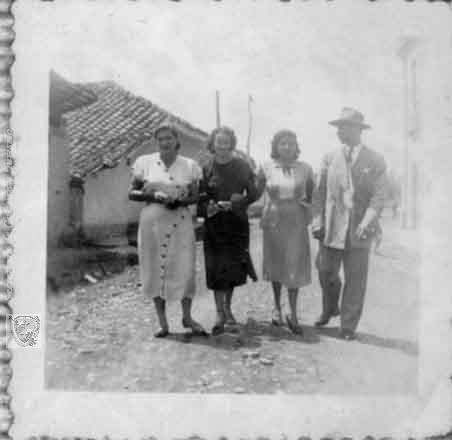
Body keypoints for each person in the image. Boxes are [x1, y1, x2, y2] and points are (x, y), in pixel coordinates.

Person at [312, 108, 387, 340]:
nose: (339, 131)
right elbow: (319, 193)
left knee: (356, 278)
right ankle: (329, 308)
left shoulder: (375, 160)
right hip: (332, 226)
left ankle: (348, 325)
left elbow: (379, 196)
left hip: (360, 227)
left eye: (344, 127)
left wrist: (367, 221)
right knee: (325, 271)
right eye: (338, 127)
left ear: (357, 130)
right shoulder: (329, 157)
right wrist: (317, 221)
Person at [129, 123, 207, 338]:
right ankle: (162, 323)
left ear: (176, 140)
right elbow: (132, 193)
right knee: (154, 269)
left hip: (180, 221)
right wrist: (154, 196)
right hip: (152, 223)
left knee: (185, 268)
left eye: (169, 138)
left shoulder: (190, 165)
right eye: (161, 139)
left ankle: (187, 317)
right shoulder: (144, 163)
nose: (165, 142)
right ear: (157, 142)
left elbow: (196, 196)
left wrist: (180, 201)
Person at [198, 126, 260, 336]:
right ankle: (219, 313)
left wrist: (234, 203)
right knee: (216, 268)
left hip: (236, 224)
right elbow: (199, 197)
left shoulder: (242, 166)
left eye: (226, 142)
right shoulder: (206, 168)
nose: (223, 147)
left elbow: (253, 193)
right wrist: (208, 208)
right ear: (213, 144)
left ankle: (227, 309)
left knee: (232, 269)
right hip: (214, 225)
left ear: (231, 144)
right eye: (219, 142)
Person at [257, 130, 314, 335]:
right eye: (283, 143)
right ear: (276, 146)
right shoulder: (266, 167)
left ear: (296, 146)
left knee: (294, 264)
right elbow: (255, 192)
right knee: (276, 262)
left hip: (296, 219)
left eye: (291, 143)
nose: (287, 147)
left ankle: (293, 312)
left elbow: (312, 194)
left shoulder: (305, 168)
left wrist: (308, 211)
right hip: (274, 218)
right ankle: (276, 308)